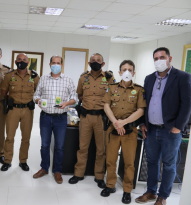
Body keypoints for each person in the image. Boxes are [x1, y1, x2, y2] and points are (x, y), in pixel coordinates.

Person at [135, 47, 191, 205]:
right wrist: (143, 123)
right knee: (151, 162)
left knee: (168, 164)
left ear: (169, 58)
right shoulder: (149, 78)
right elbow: (144, 103)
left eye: (162, 57)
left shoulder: (182, 77)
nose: (158, 61)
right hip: (151, 129)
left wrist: (179, 126)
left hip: (170, 130)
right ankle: (151, 191)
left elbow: (187, 105)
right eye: (155, 58)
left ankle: (163, 196)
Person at [101, 60, 146, 204]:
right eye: (124, 69)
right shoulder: (111, 87)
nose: (127, 72)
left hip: (130, 131)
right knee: (110, 160)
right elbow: (106, 106)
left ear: (134, 73)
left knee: (129, 162)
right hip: (112, 129)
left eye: (130, 69)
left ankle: (127, 190)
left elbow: (141, 110)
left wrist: (123, 123)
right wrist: (115, 122)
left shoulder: (139, 90)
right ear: (120, 72)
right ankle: (110, 185)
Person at [68, 53, 115, 188]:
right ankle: (78, 173)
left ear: (103, 63)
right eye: (93, 61)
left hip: (101, 118)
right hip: (86, 117)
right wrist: (82, 107)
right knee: (83, 147)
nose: (95, 62)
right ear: (89, 63)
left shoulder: (109, 78)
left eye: (98, 60)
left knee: (101, 149)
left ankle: (99, 176)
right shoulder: (83, 78)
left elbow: (113, 96)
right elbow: (80, 95)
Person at [33, 55, 77, 184]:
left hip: (61, 117)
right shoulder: (43, 78)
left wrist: (67, 103)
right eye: (53, 62)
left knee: (59, 147)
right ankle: (44, 168)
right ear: (49, 64)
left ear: (62, 65)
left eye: (58, 63)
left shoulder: (68, 80)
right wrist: (38, 100)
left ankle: (57, 171)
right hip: (45, 117)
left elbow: (75, 97)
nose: (56, 65)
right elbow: (36, 95)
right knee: (45, 145)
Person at [0, 53, 40, 171]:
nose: (21, 61)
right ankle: (7, 161)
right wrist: (10, 101)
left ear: (28, 62)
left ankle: (23, 161)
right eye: (19, 59)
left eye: (24, 60)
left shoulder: (34, 76)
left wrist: (34, 100)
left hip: (28, 110)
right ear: (16, 61)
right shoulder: (9, 76)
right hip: (13, 110)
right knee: (10, 137)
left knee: (26, 138)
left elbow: (39, 92)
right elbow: (3, 92)